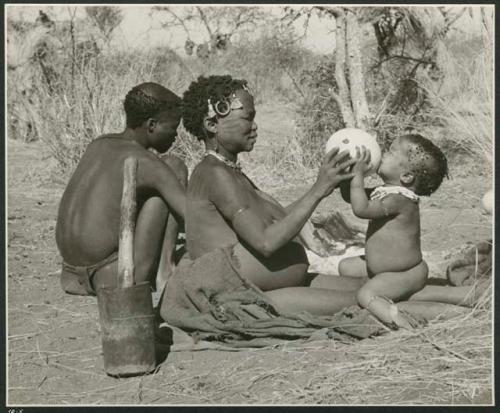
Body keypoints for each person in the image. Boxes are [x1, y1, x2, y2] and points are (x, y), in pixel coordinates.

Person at [162, 74, 370, 320]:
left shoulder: (227, 170)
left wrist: (327, 185)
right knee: (369, 300)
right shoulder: (214, 174)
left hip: (272, 287)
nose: (254, 126)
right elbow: (266, 243)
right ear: (211, 124)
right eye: (247, 117)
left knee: (371, 287)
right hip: (249, 298)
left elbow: (278, 220)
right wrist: (317, 190)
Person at [56, 82, 187, 296]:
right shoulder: (147, 162)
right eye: (173, 127)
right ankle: (165, 271)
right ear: (152, 125)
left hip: (70, 277)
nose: (176, 135)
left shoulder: (98, 144)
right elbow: (193, 217)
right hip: (115, 278)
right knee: (174, 167)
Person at [337, 135, 447, 328]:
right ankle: (398, 294)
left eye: (390, 152)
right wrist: (347, 174)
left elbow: (361, 209)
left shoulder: (399, 199)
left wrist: (358, 177)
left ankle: (402, 324)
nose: (382, 153)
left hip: (404, 272)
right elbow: (351, 197)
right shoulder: (385, 191)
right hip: (383, 269)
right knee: (345, 267)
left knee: (365, 295)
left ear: (406, 177)